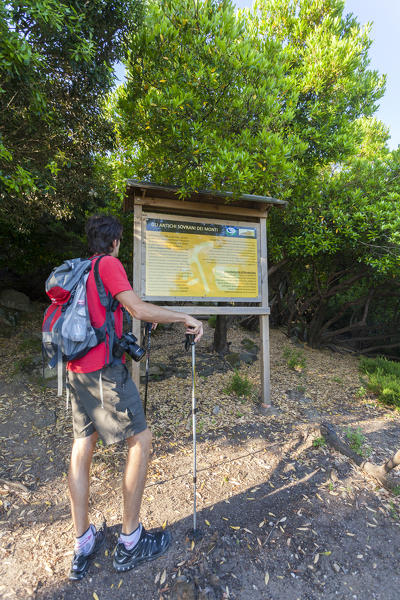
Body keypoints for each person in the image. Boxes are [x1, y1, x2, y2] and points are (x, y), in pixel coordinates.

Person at [67, 215, 203, 580]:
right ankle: (130, 542)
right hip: (103, 373)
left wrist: (136, 318)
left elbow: (112, 311)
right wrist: (182, 317)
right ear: (115, 242)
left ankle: (82, 544)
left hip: (76, 371)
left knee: (82, 446)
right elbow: (138, 308)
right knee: (140, 439)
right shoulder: (109, 264)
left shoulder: (82, 269)